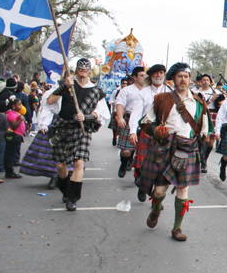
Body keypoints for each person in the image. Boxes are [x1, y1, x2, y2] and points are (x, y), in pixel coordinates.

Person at [137, 63, 212, 242]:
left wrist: (203, 141)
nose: (183, 79)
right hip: (165, 147)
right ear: (173, 79)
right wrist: (156, 131)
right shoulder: (162, 99)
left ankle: (177, 228)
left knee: (183, 189)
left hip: (187, 148)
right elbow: (145, 122)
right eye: (180, 76)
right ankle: (156, 210)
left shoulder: (199, 103)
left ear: (190, 79)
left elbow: (205, 129)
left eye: (186, 76)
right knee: (159, 191)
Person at [47, 59, 110, 211]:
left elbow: (102, 113)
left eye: (85, 68)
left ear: (89, 71)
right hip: (63, 127)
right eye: (80, 67)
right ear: (75, 70)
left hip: (82, 129)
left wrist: (87, 116)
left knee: (79, 162)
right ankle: (65, 189)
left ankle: (73, 198)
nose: (83, 70)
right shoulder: (66, 85)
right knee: (61, 165)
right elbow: (50, 101)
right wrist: (65, 87)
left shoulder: (96, 91)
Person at [130, 64, 170, 201]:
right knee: (143, 163)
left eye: (161, 73)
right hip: (147, 131)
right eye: (156, 73)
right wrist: (132, 131)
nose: (159, 75)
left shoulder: (171, 92)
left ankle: (156, 198)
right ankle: (142, 186)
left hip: (165, 133)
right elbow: (136, 114)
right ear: (151, 76)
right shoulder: (143, 93)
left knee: (160, 166)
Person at [20, 85, 60, 188]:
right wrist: (44, 124)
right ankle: (54, 176)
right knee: (50, 152)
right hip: (54, 124)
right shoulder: (54, 92)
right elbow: (48, 108)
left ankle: (65, 177)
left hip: (70, 124)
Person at [113, 67, 146, 178]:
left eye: (144, 75)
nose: (143, 77)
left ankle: (139, 176)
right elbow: (120, 104)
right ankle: (124, 163)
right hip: (128, 118)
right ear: (134, 77)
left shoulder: (149, 90)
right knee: (126, 151)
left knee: (142, 152)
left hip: (145, 121)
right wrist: (120, 117)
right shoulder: (126, 90)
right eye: (141, 75)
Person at [193, 73, 224, 173]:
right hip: (202, 114)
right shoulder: (195, 92)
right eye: (203, 80)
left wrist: (221, 100)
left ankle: (205, 158)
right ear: (200, 82)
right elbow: (199, 105)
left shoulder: (216, 92)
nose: (205, 82)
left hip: (213, 114)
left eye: (207, 80)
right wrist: (211, 99)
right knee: (204, 138)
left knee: (211, 142)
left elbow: (222, 103)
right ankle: (203, 162)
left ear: (210, 81)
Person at [3, 95, 26, 179]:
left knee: (12, 153)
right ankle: (9, 171)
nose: (20, 106)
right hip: (13, 136)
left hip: (18, 135)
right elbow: (14, 126)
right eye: (19, 105)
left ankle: (10, 170)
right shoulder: (11, 114)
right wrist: (20, 120)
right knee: (10, 154)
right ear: (13, 106)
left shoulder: (15, 113)